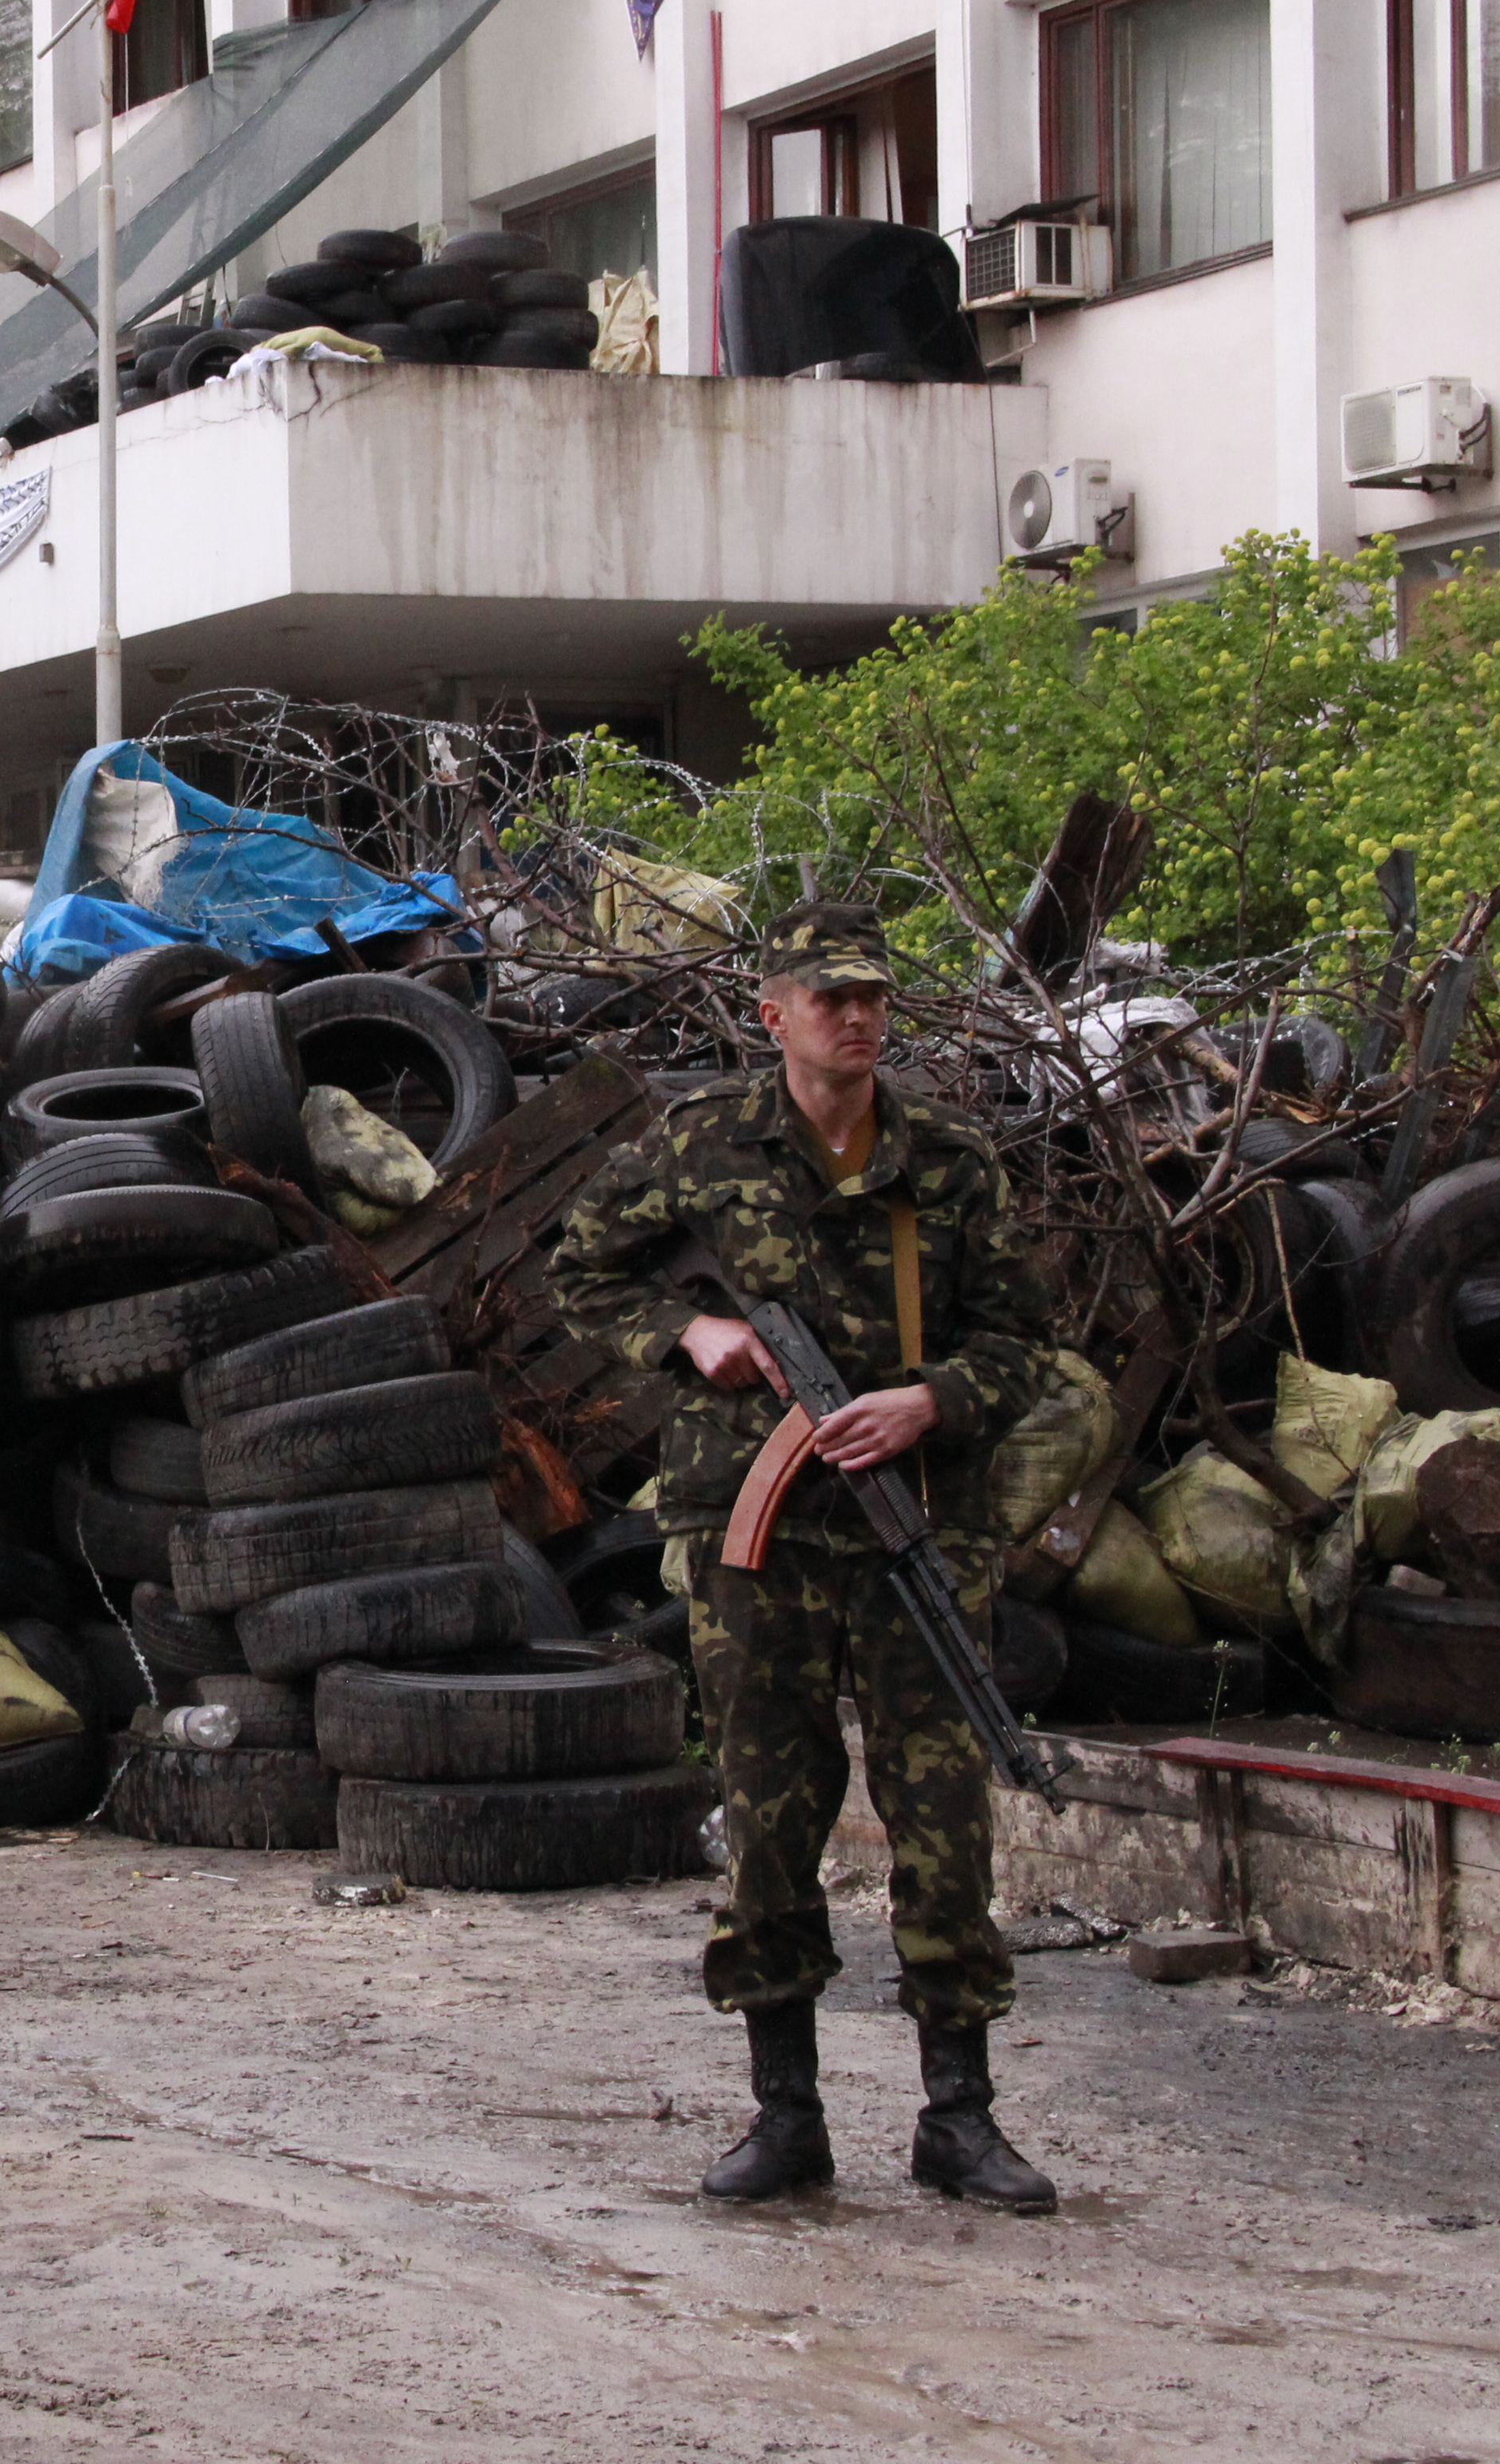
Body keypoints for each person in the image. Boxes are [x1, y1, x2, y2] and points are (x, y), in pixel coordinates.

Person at [548, 904, 1065, 2213]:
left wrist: (933, 1399)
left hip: (919, 1528)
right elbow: (580, 1272)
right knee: (771, 1815)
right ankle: (787, 2116)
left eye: (874, 996)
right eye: (828, 996)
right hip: (755, 1540)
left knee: (942, 1825)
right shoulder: (700, 1145)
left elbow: (1025, 1338)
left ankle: (961, 2118)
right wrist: (688, 1337)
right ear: (771, 1013)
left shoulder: (948, 1162)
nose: (857, 1015)